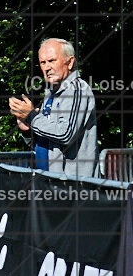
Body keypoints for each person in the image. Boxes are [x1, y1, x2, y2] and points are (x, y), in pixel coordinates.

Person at [8, 38, 97, 176]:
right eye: (43, 62)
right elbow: (47, 141)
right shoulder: (51, 93)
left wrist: (32, 116)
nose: (47, 67)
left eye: (51, 61)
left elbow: (66, 134)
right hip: (48, 181)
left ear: (70, 62)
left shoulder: (77, 89)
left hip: (74, 187)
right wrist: (27, 129)